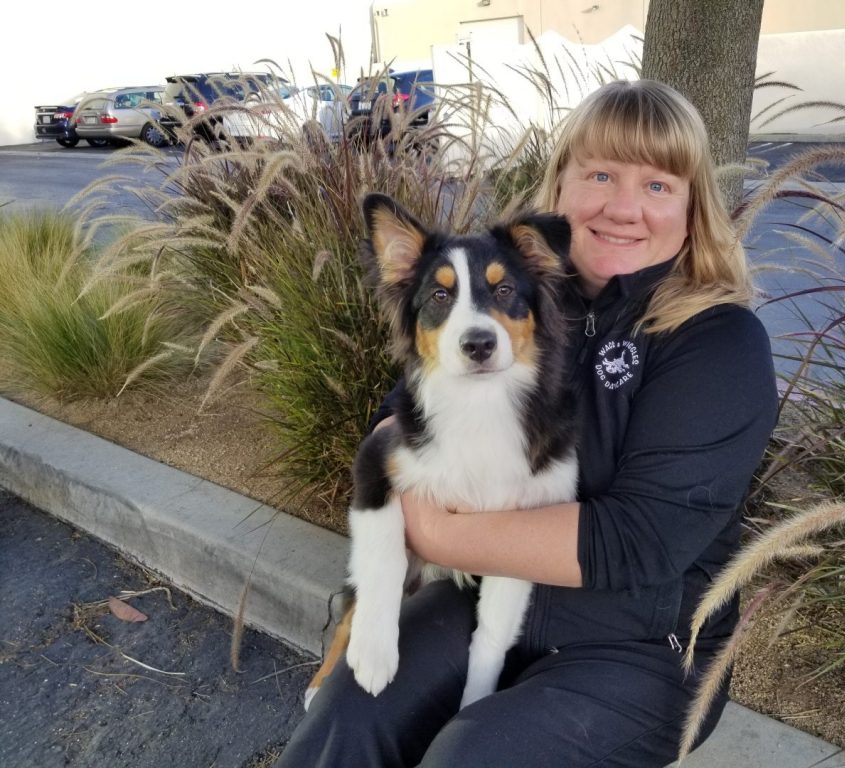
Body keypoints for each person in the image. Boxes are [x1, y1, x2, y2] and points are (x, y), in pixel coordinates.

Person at [276, 79, 777, 768]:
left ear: (693, 210)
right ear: (560, 190)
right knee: (347, 719)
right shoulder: (511, 293)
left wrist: (435, 528)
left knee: (473, 756)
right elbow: (401, 414)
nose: (623, 206)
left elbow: (640, 544)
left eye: (658, 185)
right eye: (599, 174)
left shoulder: (718, 342)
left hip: (640, 646)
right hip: (479, 593)